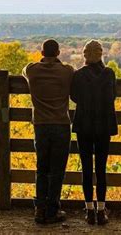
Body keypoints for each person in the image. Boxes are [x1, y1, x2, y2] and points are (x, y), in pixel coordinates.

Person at [22, 39, 75, 224]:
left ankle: (39, 209)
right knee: (57, 171)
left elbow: (25, 69)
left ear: (41, 52)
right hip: (61, 123)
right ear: (58, 52)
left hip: (41, 125)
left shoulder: (32, 70)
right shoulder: (67, 72)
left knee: (42, 168)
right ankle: (53, 210)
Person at [70, 40, 118, 225]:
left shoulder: (79, 75)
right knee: (101, 168)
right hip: (104, 126)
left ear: (85, 56)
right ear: (100, 55)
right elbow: (113, 95)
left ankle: (89, 209)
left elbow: (74, 96)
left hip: (84, 125)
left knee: (87, 168)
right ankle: (101, 210)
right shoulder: (109, 74)